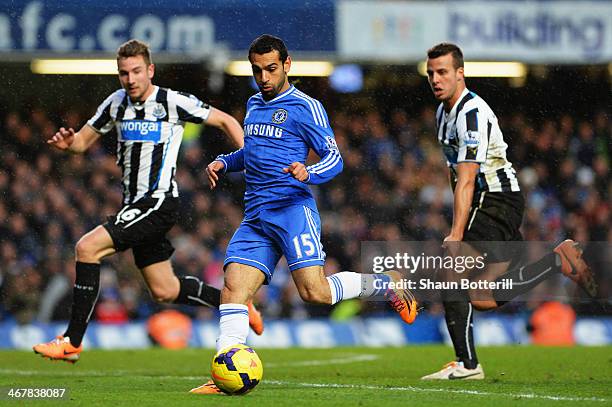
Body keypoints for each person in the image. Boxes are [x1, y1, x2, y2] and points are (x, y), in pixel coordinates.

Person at [189, 34, 418, 395]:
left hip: (293, 210)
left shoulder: (305, 107)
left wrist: (308, 172)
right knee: (233, 290)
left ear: (287, 65)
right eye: (256, 70)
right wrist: (225, 161)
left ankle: (387, 283)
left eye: (270, 69)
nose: (263, 77)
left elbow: (334, 156)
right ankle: (224, 372)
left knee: (316, 293)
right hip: (257, 216)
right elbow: (254, 152)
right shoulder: (253, 104)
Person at [33, 39, 264, 363]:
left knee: (87, 248)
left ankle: (72, 341)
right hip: (134, 205)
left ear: (150, 70)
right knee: (165, 290)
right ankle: (237, 304)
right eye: (124, 73)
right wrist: (69, 143)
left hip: (158, 202)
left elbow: (225, 120)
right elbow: (82, 142)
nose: (130, 79)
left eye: (137, 71)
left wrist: (248, 159)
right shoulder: (116, 103)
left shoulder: (171, 101)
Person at [421, 43, 597, 380]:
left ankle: (467, 365)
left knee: (451, 274)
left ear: (460, 73)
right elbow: (455, 173)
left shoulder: (471, 112)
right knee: (484, 298)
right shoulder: (442, 114)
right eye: (431, 73)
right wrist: (459, 222)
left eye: (442, 71)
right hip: (492, 203)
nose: (435, 79)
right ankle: (557, 261)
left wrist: (457, 234)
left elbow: (469, 177)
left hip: (495, 199)